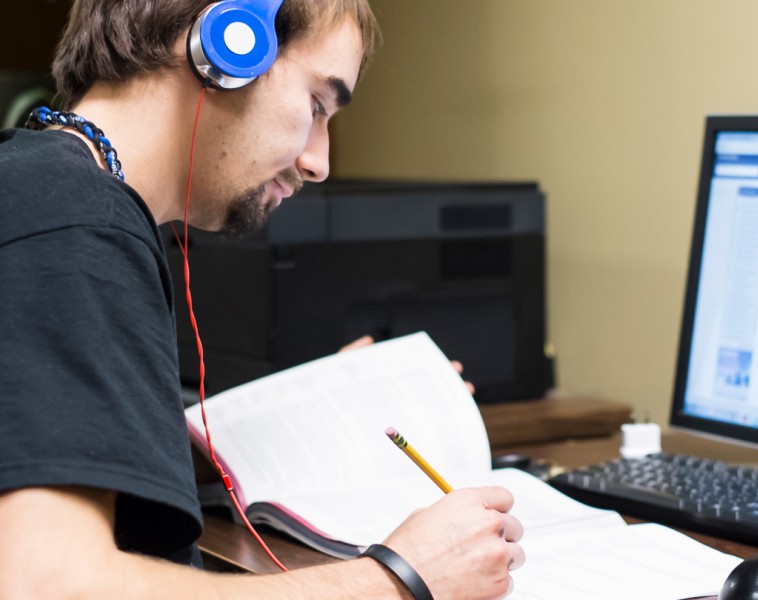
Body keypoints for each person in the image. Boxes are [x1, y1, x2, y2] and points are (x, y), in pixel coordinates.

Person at [0, 1, 525, 598]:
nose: (318, 161)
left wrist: (310, 416)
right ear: (226, 46)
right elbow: (45, 584)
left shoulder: (43, 187)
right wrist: (404, 578)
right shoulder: (73, 223)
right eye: (317, 106)